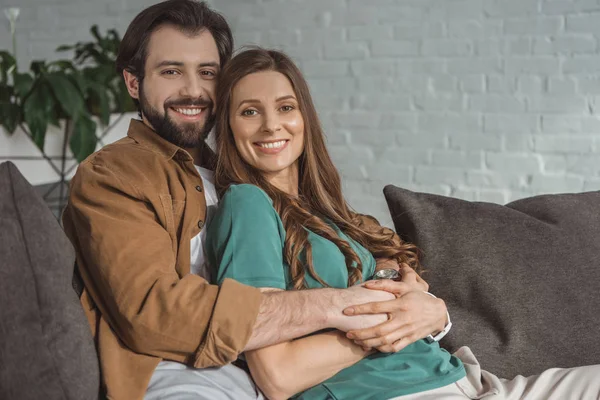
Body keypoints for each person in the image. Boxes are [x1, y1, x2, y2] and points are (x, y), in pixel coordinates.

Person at [61, 1, 449, 399]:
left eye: (207, 73)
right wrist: (341, 306)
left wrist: (410, 294)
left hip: (270, 365)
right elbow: (154, 313)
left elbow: (359, 233)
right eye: (171, 71)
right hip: (184, 371)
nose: (193, 90)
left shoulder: (243, 173)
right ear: (133, 82)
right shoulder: (114, 174)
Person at [205, 47, 600, 400]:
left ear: (305, 118)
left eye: (286, 108)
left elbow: (408, 293)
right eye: (250, 111)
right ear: (228, 125)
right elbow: (277, 375)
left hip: (471, 382)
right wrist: (390, 324)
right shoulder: (249, 204)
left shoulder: (328, 213)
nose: (272, 125)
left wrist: (429, 312)